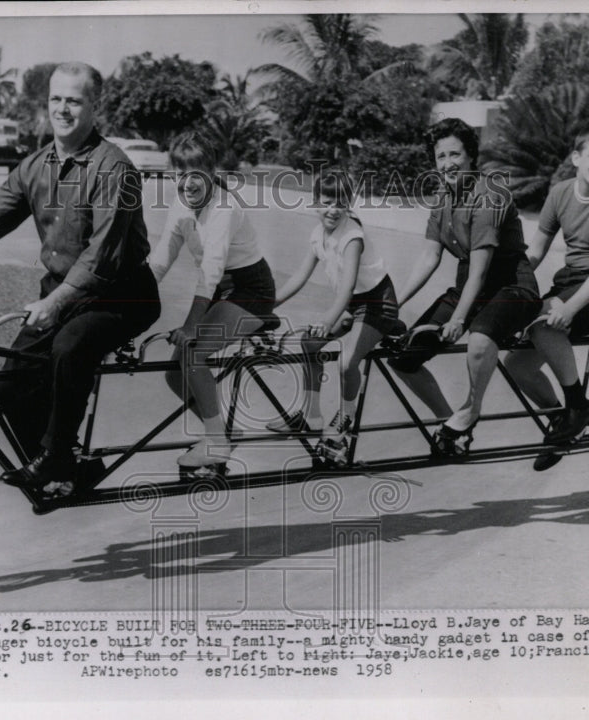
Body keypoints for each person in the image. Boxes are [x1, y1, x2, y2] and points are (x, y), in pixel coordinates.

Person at [0, 62, 160, 496]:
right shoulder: (35, 166)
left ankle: (58, 455)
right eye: (56, 98)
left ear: (95, 106)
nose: (62, 108)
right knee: (9, 387)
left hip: (122, 294)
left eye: (74, 100)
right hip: (62, 291)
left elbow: (103, 255)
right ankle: (62, 465)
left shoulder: (115, 168)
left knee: (69, 346)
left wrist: (54, 304)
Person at [388, 118, 541, 456]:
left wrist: (458, 318)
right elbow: (429, 257)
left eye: (455, 154)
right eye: (440, 157)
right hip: (472, 287)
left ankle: (469, 412)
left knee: (479, 339)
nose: (447, 164)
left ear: (471, 156)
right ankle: (452, 425)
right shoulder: (443, 197)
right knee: (402, 358)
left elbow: (481, 269)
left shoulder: (490, 195)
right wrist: (392, 304)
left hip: (512, 287)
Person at [504, 125, 589, 471]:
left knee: (546, 326)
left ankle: (577, 407)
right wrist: (507, 286)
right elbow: (534, 252)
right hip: (571, 282)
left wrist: (568, 308)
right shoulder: (561, 192)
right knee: (517, 366)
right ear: (576, 158)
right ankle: (566, 419)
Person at [148, 132, 276, 472]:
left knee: (193, 354)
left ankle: (217, 442)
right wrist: (129, 298)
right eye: (180, 174)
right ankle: (216, 433)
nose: (188, 183)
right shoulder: (180, 204)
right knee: (175, 375)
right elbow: (162, 258)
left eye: (196, 174)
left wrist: (191, 325)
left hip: (252, 291)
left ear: (211, 171)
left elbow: (211, 270)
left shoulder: (224, 207)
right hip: (223, 291)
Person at [267, 169, 399, 465]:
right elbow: (301, 274)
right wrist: (269, 304)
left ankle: (346, 417)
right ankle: (311, 414)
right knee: (308, 344)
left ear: (349, 203)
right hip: (353, 306)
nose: (333, 209)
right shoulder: (318, 234)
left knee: (346, 362)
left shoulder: (352, 235)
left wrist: (327, 320)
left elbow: (349, 285)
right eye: (327, 201)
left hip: (379, 306)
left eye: (340, 202)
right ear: (315, 202)